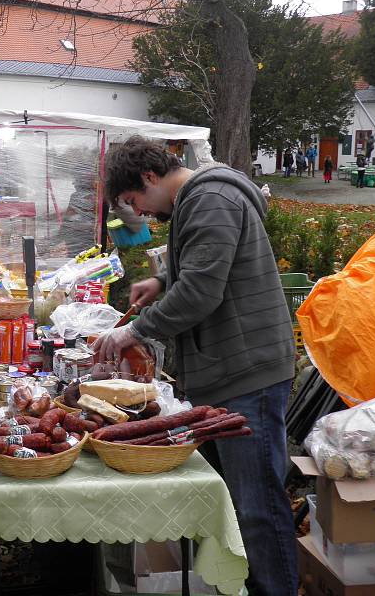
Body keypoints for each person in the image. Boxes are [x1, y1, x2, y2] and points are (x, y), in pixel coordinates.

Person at [93, 136, 297, 596]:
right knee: (231, 505)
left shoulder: (210, 198)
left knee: (257, 508)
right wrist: (161, 278)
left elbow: (202, 291)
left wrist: (135, 330)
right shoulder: (197, 201)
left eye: (134, 201)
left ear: (149, 177)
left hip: (248, 373)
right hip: (226, 370)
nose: (139, 214)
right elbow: (209, 262)